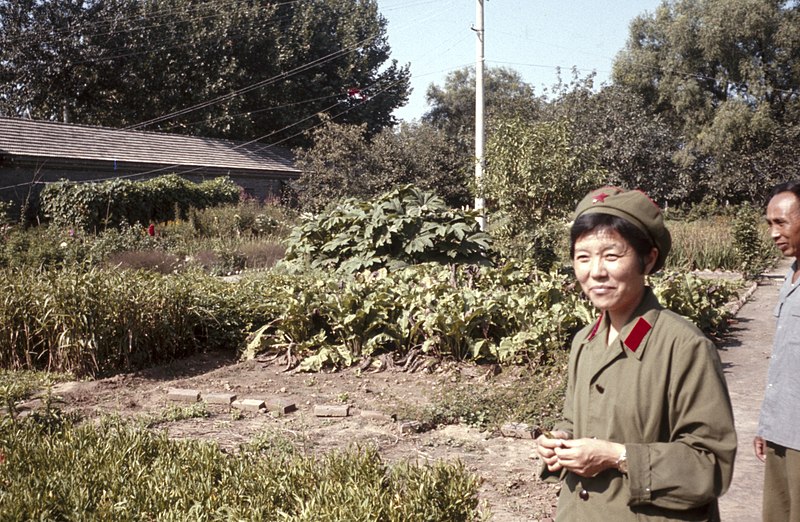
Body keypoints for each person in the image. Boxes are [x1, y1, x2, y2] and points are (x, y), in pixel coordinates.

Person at [537, 187, 737, 521]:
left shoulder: (683, 347)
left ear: (649, 259)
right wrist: (559, 441)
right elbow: (574, 419)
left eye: (612, 256)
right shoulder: (584, 341)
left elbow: (711, 464)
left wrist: (617, 456)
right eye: (583, 256)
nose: (595, 271)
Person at [754, 180, 800, 522]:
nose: (773, 233)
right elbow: (784, 362)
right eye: (770, 223)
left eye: (781, 223)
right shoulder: (792, 274)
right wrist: (766, 425)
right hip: (781, 430)